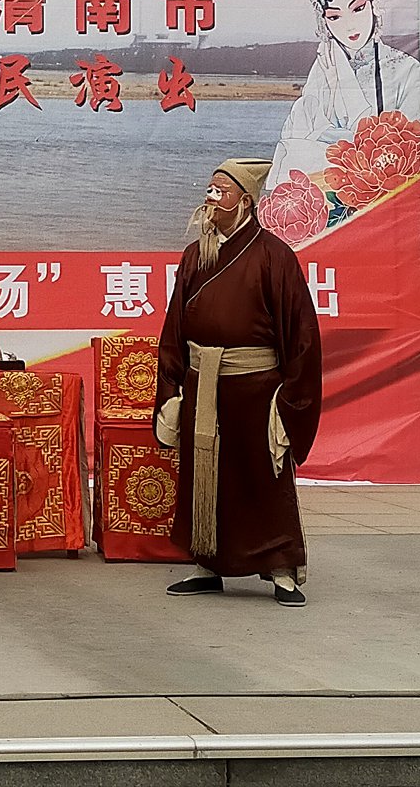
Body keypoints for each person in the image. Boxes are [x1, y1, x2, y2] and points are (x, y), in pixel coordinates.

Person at [154, 158, 323, 607]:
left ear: (245, 202)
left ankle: (281, 569)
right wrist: (171, 385)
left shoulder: (274, 256)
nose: (210, 198)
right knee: (206, 477)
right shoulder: (196, 255)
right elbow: (175, 328)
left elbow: (302, 336)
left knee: (262, 479)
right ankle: (208, 564)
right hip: (203, 386)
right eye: (209, 189)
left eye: (221, 191)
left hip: (255, 390)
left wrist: (290, 400)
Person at [265, 0, 420, 192]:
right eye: (334, 17)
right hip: (327, 193)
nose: (350, 25)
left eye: (358, 9)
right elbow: (295, 142)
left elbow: (408, 146)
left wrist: (338, 139)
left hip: (387, 195)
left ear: (373, 5)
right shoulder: (323, 70)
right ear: (324, 22)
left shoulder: (406, 70)